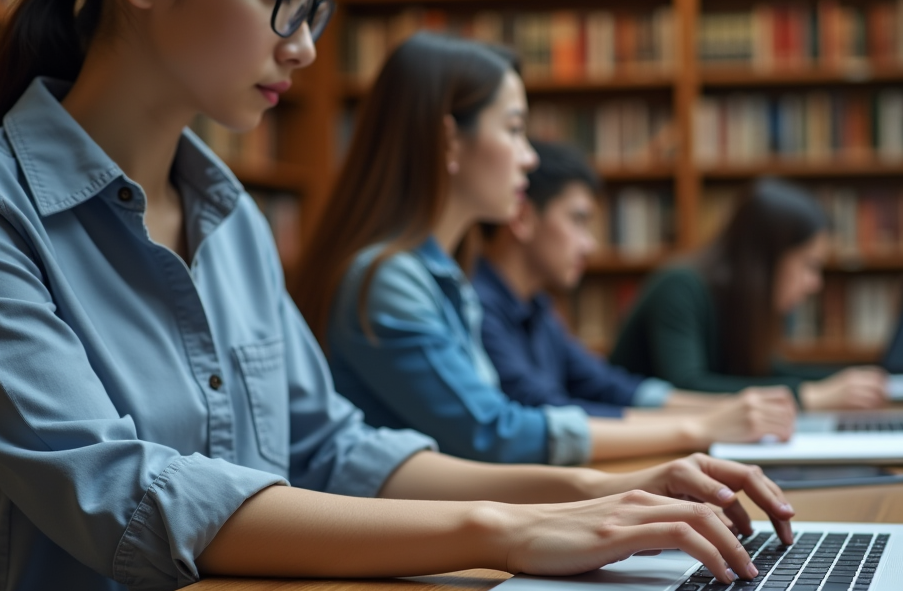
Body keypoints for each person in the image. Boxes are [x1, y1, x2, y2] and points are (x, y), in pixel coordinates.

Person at [0, 0, 794, 591]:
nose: (302, 43)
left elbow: (336, 451)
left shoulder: (235, 221)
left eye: (314, 3)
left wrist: (603, 492)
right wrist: (501, 529)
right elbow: (125, 496)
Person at [296, 32, 795, 469]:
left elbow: (568, 398)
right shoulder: (389, 278)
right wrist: (699, 428)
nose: (529, 157)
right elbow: (492, 432)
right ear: (449, 140)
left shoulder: (442, 274)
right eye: (513, 130)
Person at [475, 138, 793, 423]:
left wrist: (719, 410)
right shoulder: (478, 305)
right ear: (523, 218)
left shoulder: (536, 306)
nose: (590, 245)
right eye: (578, 220)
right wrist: (696, 425)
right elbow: (542, 411)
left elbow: (604, 384)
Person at [610, 177, 889, 411]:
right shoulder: (679, 287)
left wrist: (846, 380)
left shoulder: (736, 302)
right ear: (768, 260)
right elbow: (687, 386)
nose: (814, 283)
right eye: (809, 265)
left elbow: (769, 370)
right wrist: (811, 396)